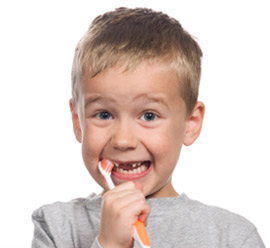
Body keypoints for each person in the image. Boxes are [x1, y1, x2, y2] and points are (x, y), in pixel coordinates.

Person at [31, 7, 265, 248]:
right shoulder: (56, 227)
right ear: (78, 121)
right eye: (103, 114)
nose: (123, 140)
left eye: (149, 116)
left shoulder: (232, 237)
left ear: (190, 124)